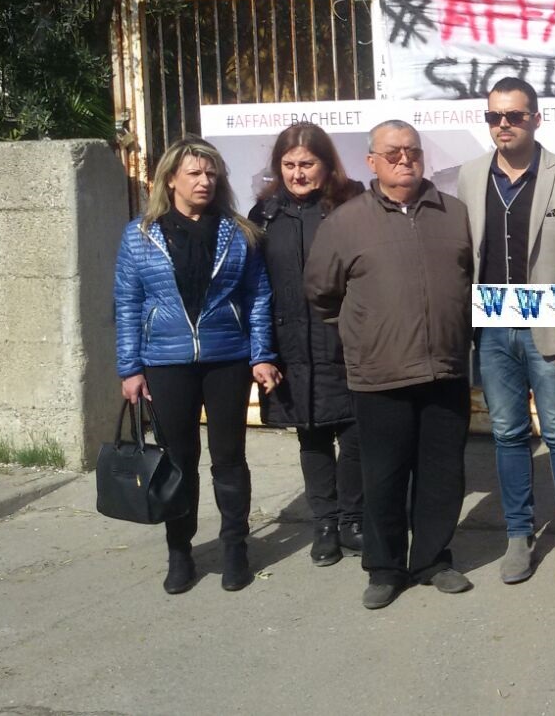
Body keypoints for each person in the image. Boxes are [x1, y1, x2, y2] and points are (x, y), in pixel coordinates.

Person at [305, 119, 476, 609]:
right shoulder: (345, 222)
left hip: (444, 368)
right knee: (383, 475)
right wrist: (366, 331)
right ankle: (384, 568)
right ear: (372, 162)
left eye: (413, 151)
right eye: (394, 153)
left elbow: (469, 279)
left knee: (442, 473)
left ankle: (432, 560)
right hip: (379, 374)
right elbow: (321, 293)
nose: (406, 160)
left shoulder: (454, 213)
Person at [113, 136, 276, 595]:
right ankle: (180, 552)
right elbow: (127, 302)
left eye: (211, 174)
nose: (205, 181)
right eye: (195, 173)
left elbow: (258, 296)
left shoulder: (238, 232)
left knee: (229, 460)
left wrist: (261, 354)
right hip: (165, 363)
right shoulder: (140, 234)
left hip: (228, 358)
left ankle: (234, 549)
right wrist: (130, 368)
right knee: (178, 462)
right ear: (171, 179)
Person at [458, 76, 555, 589]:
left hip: (550, 330)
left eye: (514, 115)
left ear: (535, 118)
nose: (504, 125)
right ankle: (518, 535)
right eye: (494, 116)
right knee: (507, 434)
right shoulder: (471, 176)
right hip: (493, 332)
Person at [248, 123, 365, 566]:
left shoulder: (352, 204)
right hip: (291, 343)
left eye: (307, 164)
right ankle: (325, 524)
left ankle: (355, 519)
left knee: (355, 433)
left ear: (327, 164)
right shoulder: (264, 215)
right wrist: (261, 351)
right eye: (289, 165)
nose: (298, 174)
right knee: (311, 436)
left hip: (345, 339)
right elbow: (254, 287)